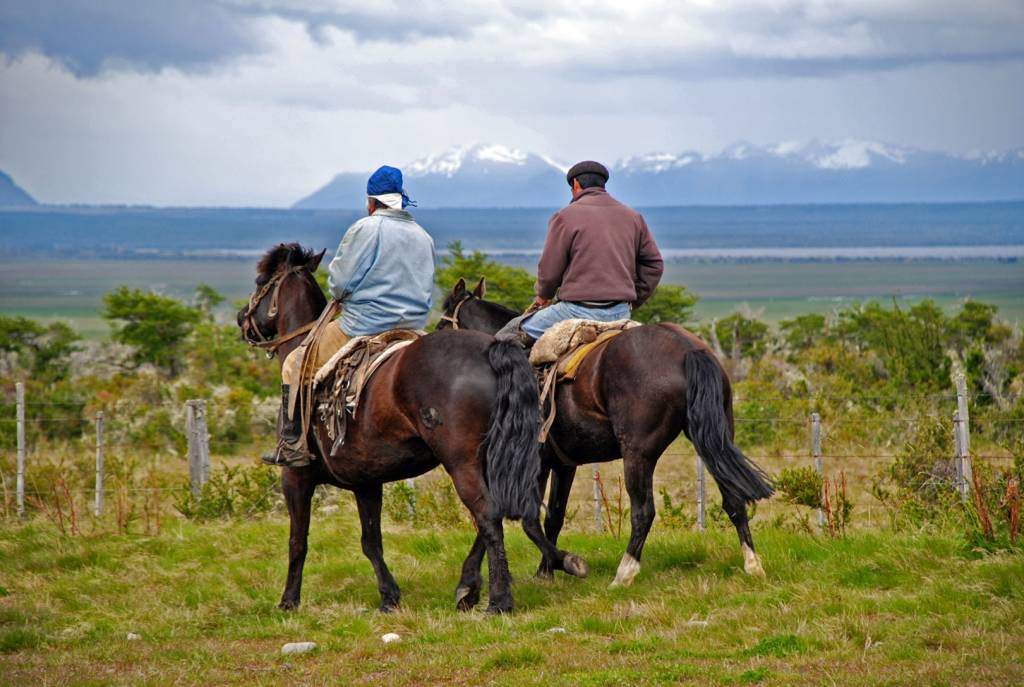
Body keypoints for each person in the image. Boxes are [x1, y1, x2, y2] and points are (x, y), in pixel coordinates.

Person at [265, 165, 436, 466]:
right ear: (400, 199)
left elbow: (341, 282)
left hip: (364, 326)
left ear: (371, 202)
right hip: (412, 327)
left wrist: (343, 294)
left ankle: (292, 444)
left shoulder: (365, 228)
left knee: (295, 363)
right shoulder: (423, 235)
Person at [508, 160, 664, 345]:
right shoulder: (634, 217)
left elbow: (550, 272)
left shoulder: (565, 217)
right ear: (602, 184)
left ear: (576, 184)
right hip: (621, 313)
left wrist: (543, 296)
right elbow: (654, 264)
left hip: (575, 312)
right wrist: (633, 299)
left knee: (506, 337)